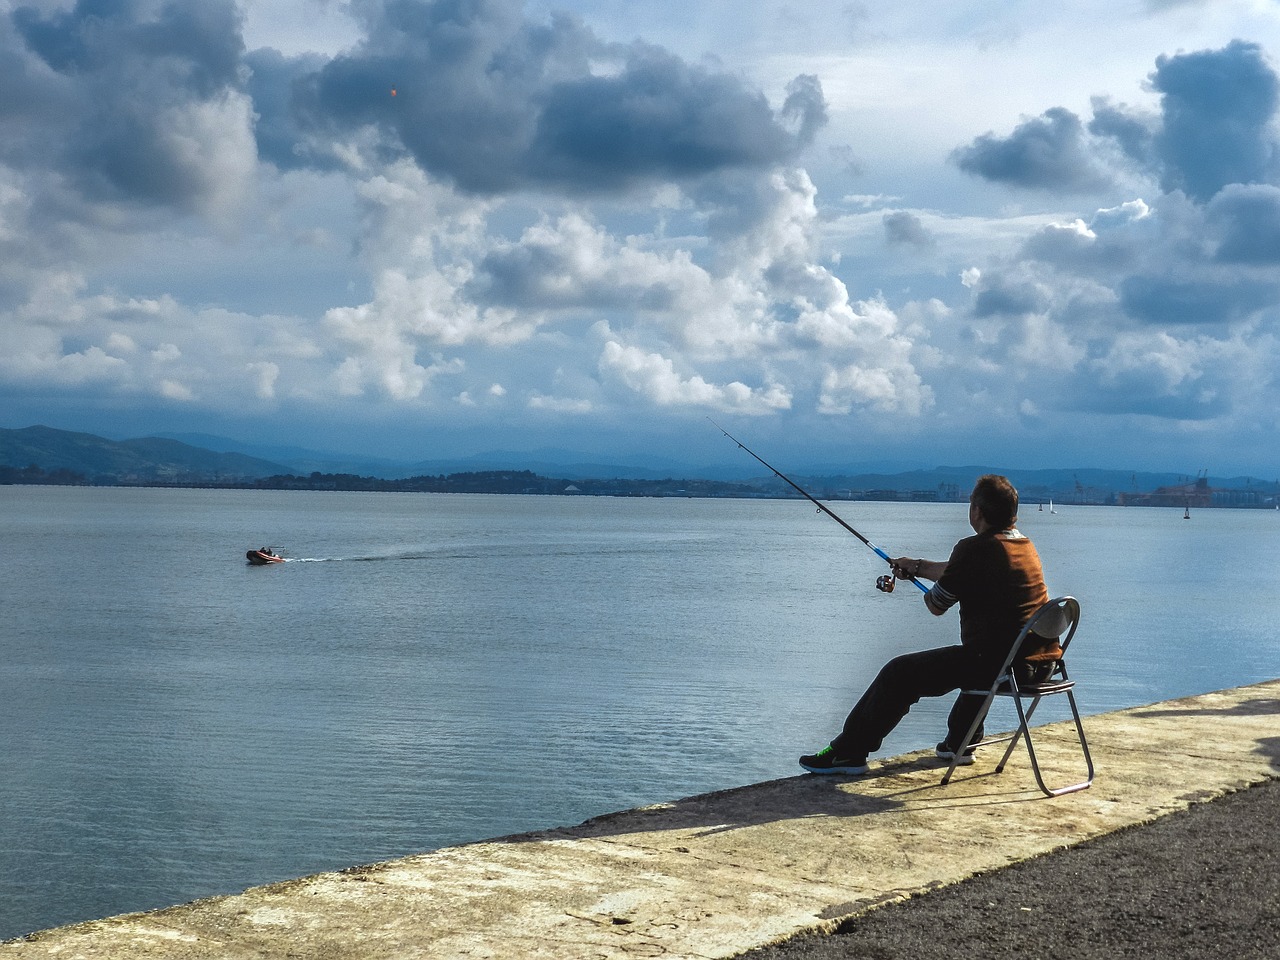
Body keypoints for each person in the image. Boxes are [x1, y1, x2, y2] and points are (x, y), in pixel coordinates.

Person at [800, 474, 1061, 775]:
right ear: (1012, 513)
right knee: (978, 654)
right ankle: (961, 742)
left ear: (976, 511)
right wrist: (918, 567)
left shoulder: (973, 549)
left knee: (900, 672)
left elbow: (937, 604)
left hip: (1003, 667)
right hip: (1040, 664)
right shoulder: (1024, 546)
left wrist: (928, 585)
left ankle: (848, 753)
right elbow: (959, 571)